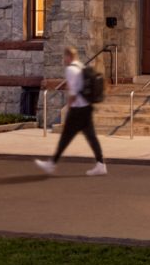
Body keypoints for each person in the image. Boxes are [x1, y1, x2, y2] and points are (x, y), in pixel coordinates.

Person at [35, 46, 107, 176]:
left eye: (64, 57)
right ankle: (100, 164)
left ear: (69, 57)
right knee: (91, 137)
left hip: (78, 109)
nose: (64, 59)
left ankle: (51, 164)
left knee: (66, 137)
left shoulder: (70, 70)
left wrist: (69, 107)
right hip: (87, 107)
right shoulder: (80, 66)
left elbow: (73, 93)